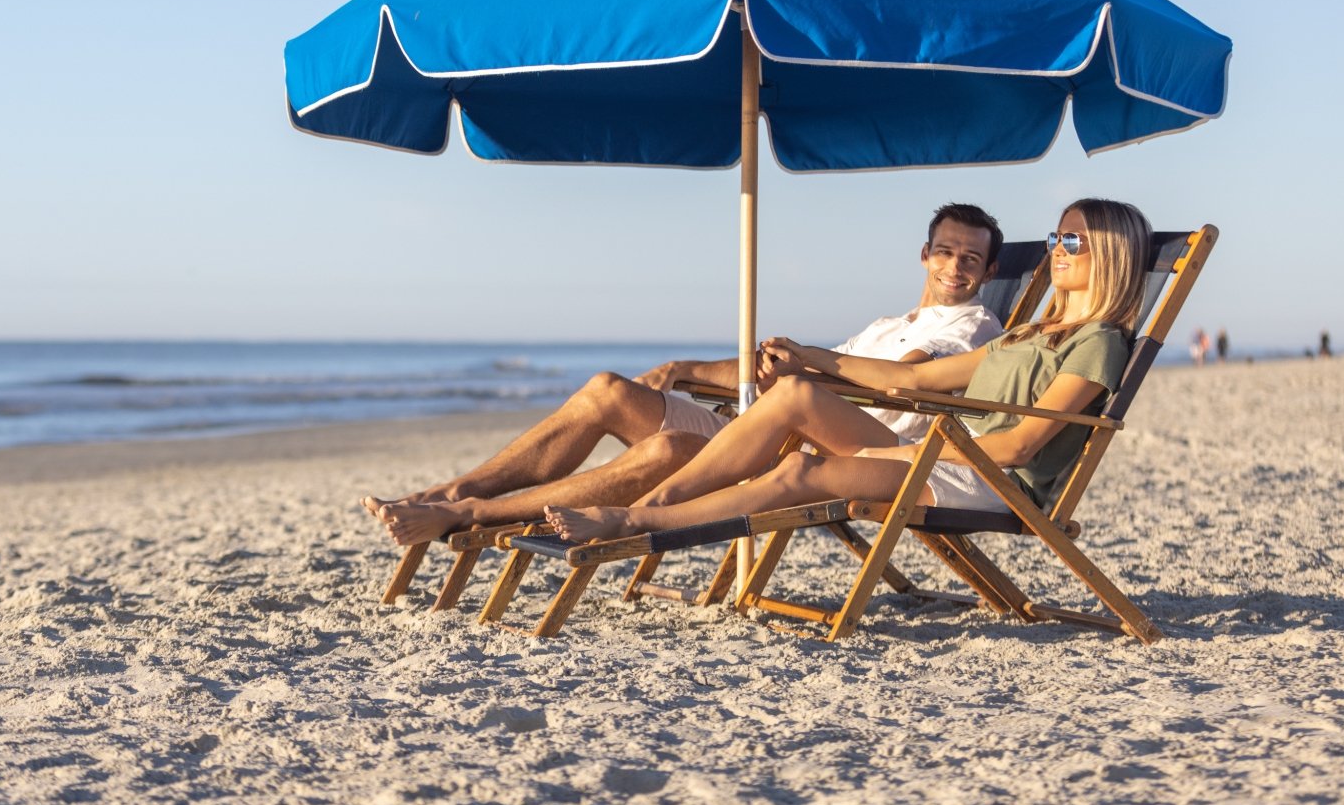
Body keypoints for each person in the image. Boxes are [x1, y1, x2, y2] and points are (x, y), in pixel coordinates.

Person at [367, 204, 1008, 547]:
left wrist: (808, 365)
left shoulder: (974, 327)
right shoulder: (888, 322)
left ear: (987, 271)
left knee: (670, 449)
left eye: (971, 259)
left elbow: (899, 381)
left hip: (838, 452)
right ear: (925, 254)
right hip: (770, 427)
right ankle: (453, 493)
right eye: (946, 251)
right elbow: (807, 373)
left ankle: (474, 513)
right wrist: (686, 370)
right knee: (607, 390)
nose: (956, 267)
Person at [544, 198, 1151, 543]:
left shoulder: (1098, 343)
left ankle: (636, 521)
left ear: (1112, 255)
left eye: (1073, 242)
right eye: (1055, 237)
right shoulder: (1028, 333)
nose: (1056, 249)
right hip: (947, 454)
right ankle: (653, 506)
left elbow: (1019, 447)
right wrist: (809, 355)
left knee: (800, 471)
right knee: (795, 399)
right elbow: (912, 381)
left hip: (989, 481)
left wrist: (905, 453)